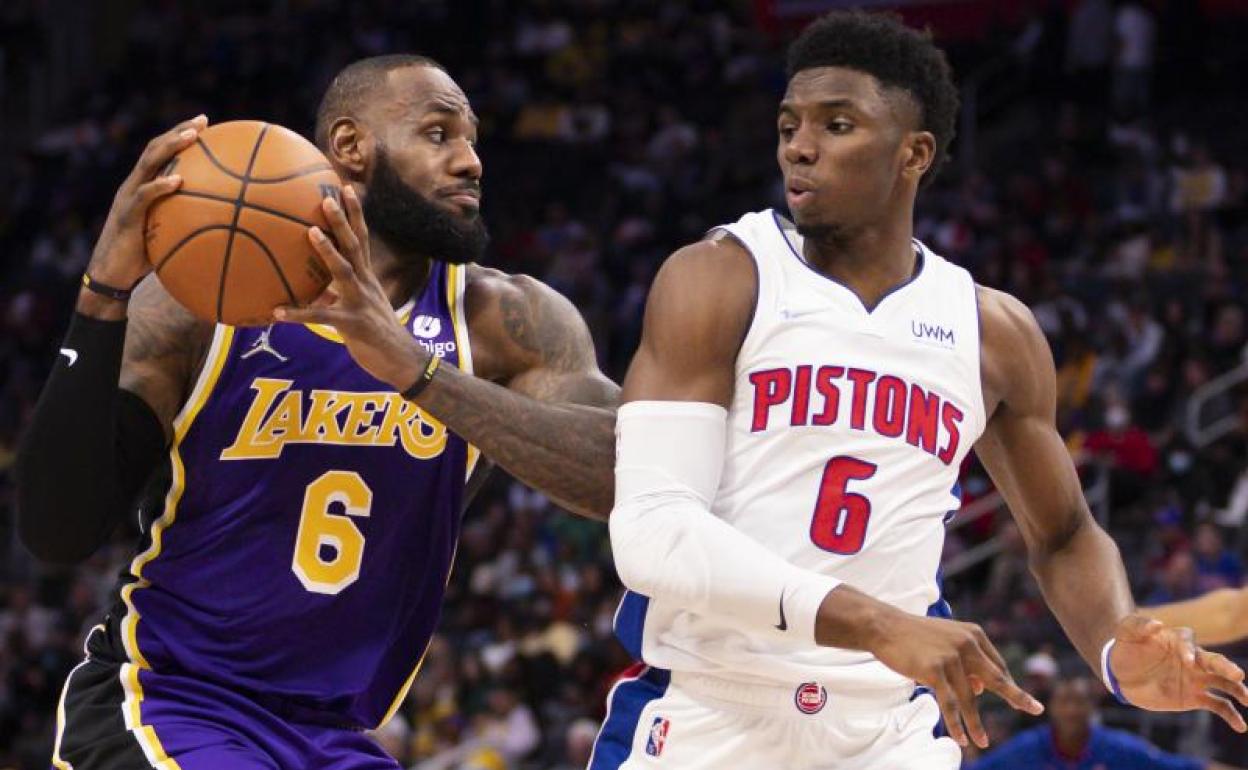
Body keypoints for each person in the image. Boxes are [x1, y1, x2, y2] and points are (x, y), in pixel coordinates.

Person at [592, 12, 1248, 769]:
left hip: (885, 727)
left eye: (837, 124)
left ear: (914, 153)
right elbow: (651, 530)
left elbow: (1063, 533)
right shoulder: (721, 276)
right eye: (789, 124)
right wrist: (875, 623)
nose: (800, 147)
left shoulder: (992, 332)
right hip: (710, 706)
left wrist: (1113, 639)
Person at [15, 55, 618, 769]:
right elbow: (56, 529)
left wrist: (415, 373)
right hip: (170, 702)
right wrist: (102, 295)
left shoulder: (502, 321)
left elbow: (629, 475)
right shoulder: (204, 300)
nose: (470, 161)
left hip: (334, 737)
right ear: (351, 147)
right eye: (438, 133)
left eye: (473, 139)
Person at [969, 676, 1246, 770]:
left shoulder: (1116, 747)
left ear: (1091, 707)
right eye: (1065, 701)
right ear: (1052, 708)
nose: (1072, 710)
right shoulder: (1028, 748)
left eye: (1079, 702)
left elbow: (1180, 767)